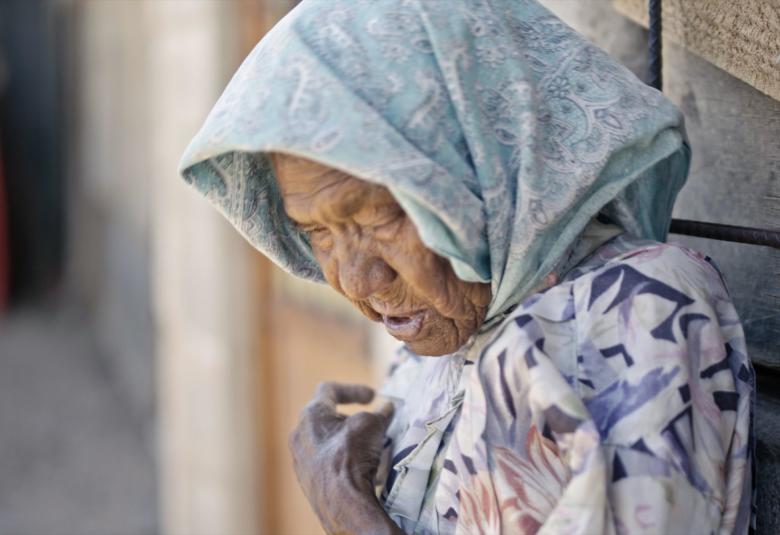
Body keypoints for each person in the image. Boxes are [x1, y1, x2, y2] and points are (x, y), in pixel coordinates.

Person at [179, 0, 754, 533]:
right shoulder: (448, 334)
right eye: (317, 233)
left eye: (381, 218)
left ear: (486, 167)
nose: (355, 281)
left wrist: (350, 516)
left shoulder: (638, 310)